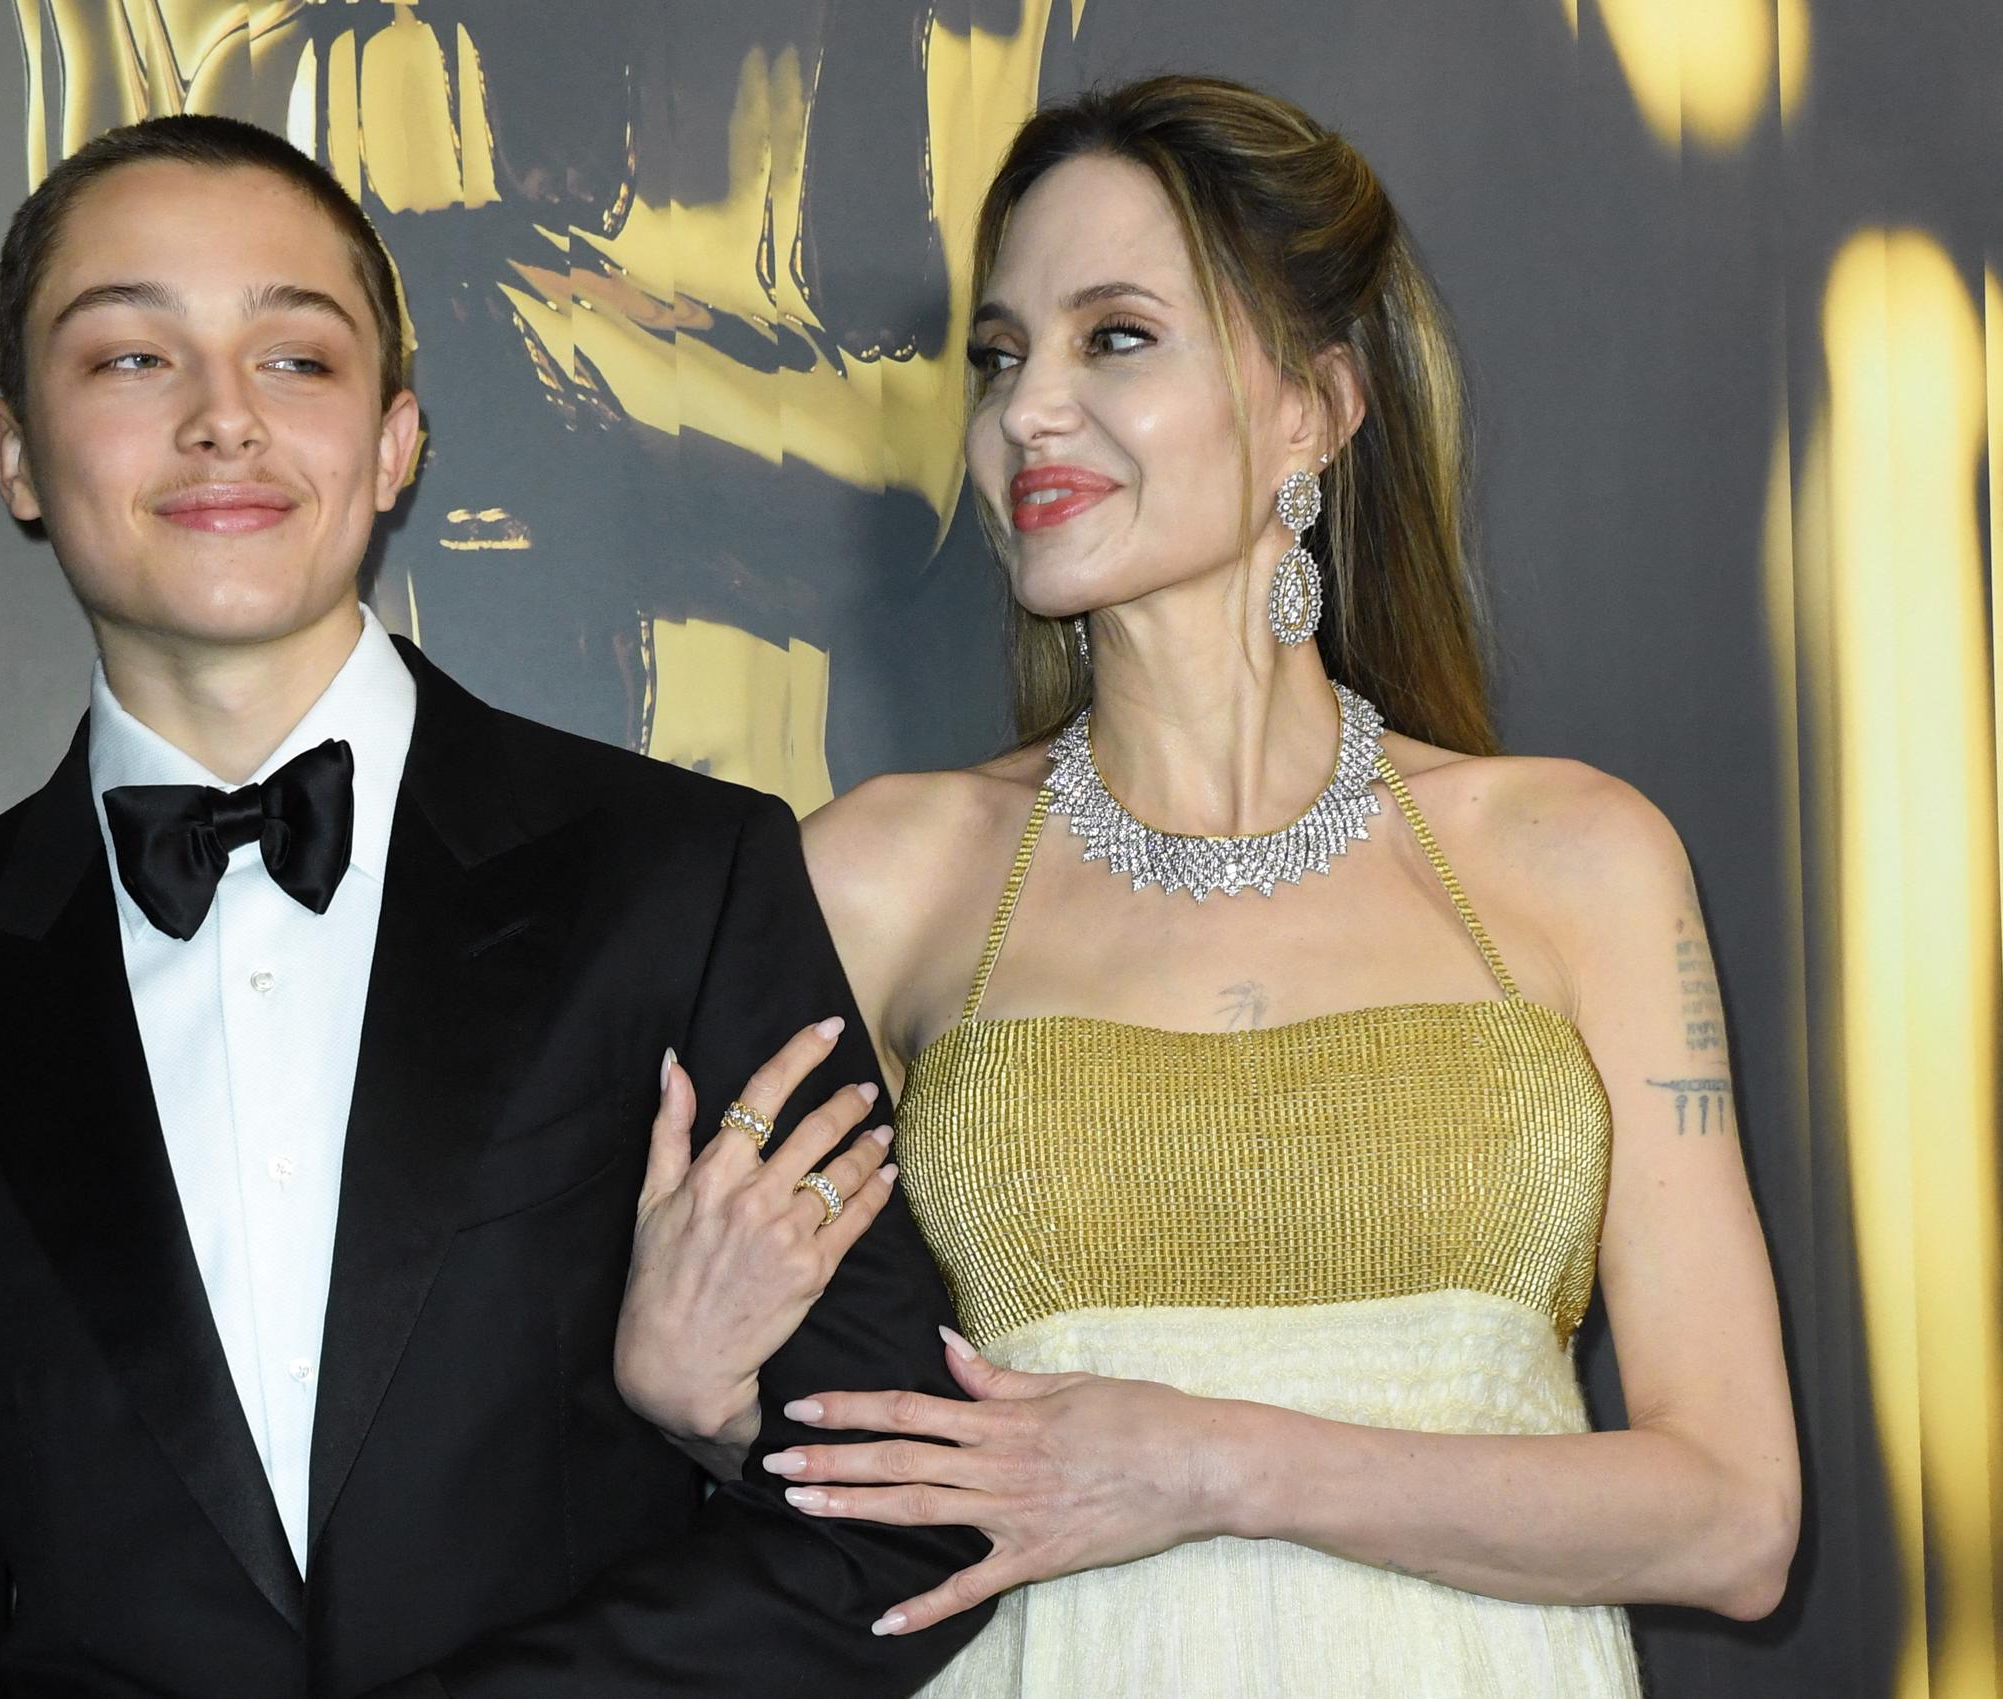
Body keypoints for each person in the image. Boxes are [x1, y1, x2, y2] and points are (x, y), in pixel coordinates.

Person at [0, 114, 990, 1698]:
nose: (221, 421)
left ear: (397, 439)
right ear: (14, 453)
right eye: (132, 359)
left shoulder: (682, 879)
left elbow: (899, 1518)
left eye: (297, 360)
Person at [612, 75, 1801, 1695]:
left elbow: (1734, 1518)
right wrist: (700, 1397)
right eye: (1000, 353)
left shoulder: (1577, 858)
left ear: (1314, 408)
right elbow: (848, 1473)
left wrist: (1214, 1468)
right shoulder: (880, 873)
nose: (1029, 408)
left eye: (1115, 336)